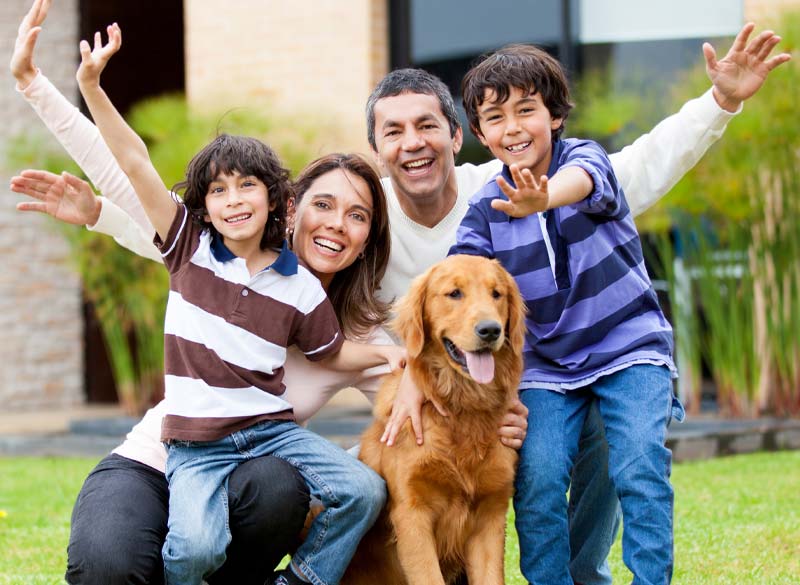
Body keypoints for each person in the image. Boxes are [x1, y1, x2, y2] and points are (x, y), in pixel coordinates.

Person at [10, 0, 790, 580]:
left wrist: (719, 102)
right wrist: (69, 151)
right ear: (373, 154)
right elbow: (151, 207)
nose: (341, 224)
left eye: (428, 127)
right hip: (164, 452)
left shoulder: (495, 196)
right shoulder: (265, 260)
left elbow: (631, 171)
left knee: (547, 428)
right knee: (116, 569)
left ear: (458, 137)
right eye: (392, 133)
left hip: (260, 460)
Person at [71, 21, 403, 585]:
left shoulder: (297, 285)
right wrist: (94, 90)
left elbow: (334, 353)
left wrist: (395, 359)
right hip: (191, 444)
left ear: (275, 197)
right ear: (297, 208)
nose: (233, 200)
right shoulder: (188, 249)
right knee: (190, 552)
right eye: (218, 191)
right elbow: (132, 163)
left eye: (247, 185)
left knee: (363, 490)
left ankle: (299, 580)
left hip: (269, 436)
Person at [451, 42, 677, 584]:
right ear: (481, 136)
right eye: (495, 117)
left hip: (629, 346)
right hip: (546, 368)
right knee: (540, 479)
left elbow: (582, 185)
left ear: (554, 115)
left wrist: (544, 197)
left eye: (526, 109)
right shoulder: (484, 211)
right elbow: (457, 280)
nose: (513, 127)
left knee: (640, 461)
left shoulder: (584, 160)